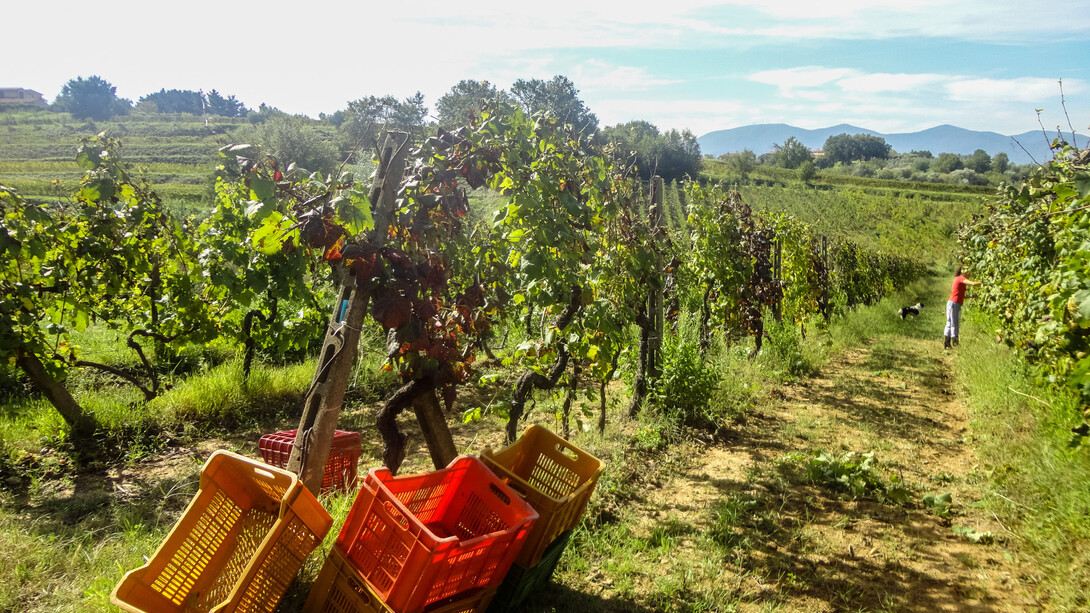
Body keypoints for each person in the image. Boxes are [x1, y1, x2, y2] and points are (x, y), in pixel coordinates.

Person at [944, 266, 981, 349]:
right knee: (955, 323)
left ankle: (947, 343)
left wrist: (971, 296)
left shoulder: (957, 278)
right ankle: (955, 342)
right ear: (964, 272)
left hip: (951, 303)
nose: (970, 274)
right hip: (954, 304)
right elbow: (973, 284)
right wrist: (984, 283)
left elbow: (960, 295)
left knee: (949, 322)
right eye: (968, 272)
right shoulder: (961, 278)